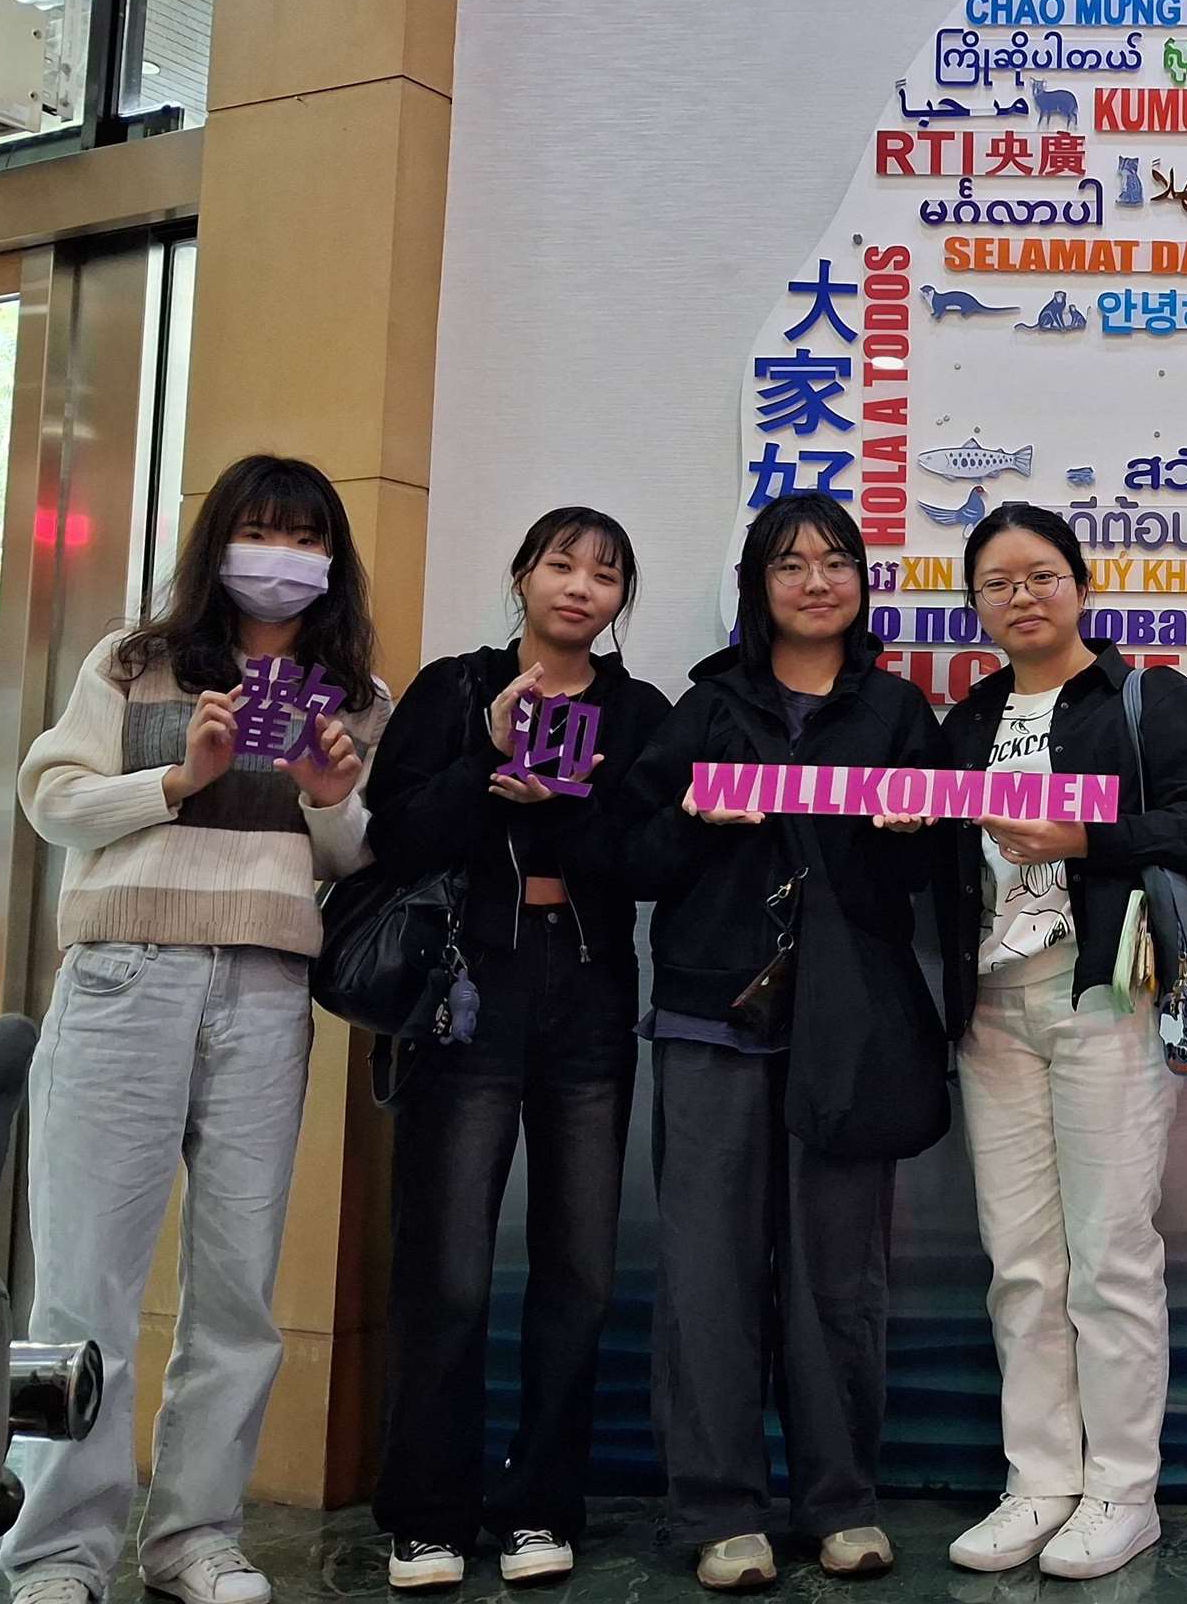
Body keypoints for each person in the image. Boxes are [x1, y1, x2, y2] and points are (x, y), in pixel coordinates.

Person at [2, 455, 389, 1604]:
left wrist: (327, 796)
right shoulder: (135, 662)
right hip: (127, 972)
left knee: (236, 1286)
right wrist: (178, 778)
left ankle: (194, 1536)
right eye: (261, 529)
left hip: (267, 986)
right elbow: (49, 795)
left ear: (332, 557)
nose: (283, 554)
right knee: (84, 1284)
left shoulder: (358, 692)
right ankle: (56, 1550)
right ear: (218, 540)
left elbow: (364, 862)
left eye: (306, 535)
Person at [618, 492, 949, 1589]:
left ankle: (840, 1502)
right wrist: (692, 823)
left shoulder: (899, 713)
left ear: (863, 582)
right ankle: (720, 1511)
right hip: (712, 1015)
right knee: (706, 1271)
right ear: (757, 589)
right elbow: (637, 859)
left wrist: (915, 834)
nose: (816, 580)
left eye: (836, 560)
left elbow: (935, 882)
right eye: (790, 563)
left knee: (837, 1278)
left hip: (847, 1029)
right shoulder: (709, 708)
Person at [937, 504, 1187, 1583]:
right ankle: (1039, 1482)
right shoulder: (964, 721)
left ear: (1080, 585)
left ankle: (1122, 1490)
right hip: (988, 1012)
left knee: (1110, 1256)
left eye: (1040, 576)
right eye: (996, 583)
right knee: (1020, 1263)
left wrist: (1087, 837)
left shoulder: (1148, 698)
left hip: (1106, 1000)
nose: (1020, 597)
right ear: (973, 603)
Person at [365, 508, 670, 1592]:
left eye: (605, 573)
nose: (580, 586)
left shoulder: (639, 712)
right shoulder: (454, 688)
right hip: (467, 990)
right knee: (445, 1267)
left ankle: (543, 1504)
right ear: (520, 577)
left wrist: (568, 808)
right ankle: (427, 1515)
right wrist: (485, 753)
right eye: (560, 564)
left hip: (584, 992)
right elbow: (387, 834)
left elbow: (651, 860)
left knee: (579, 1272)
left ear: (623, 598)